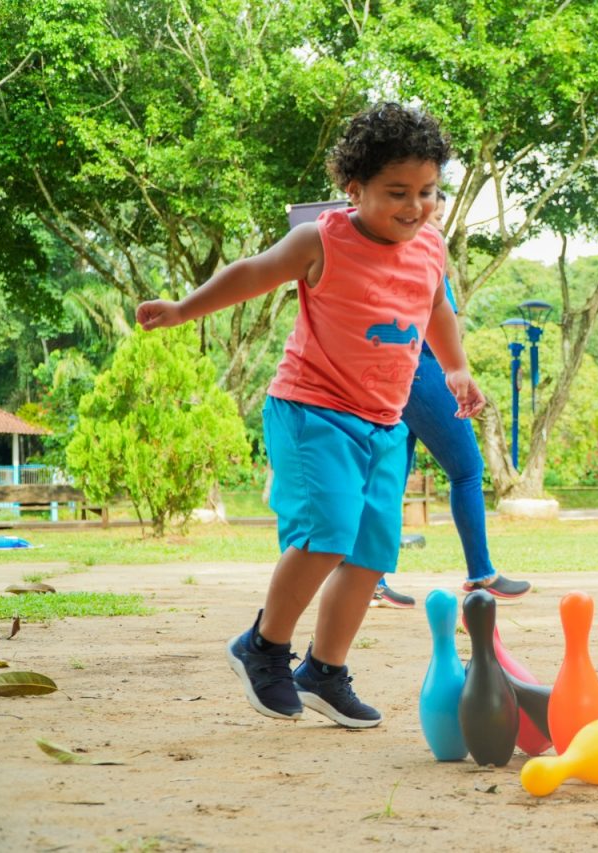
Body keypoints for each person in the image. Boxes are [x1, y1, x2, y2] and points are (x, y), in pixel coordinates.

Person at [137, 103, 483, 726]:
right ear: (354, 189)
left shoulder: (429, 245)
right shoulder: (322, 238)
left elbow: (436, 307)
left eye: (428, 192)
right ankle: (263, 647)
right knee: (327, 534)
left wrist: (454, 366)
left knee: (373, 553)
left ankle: (324, 671)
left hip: (383, 420)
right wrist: (185, 309)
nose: (415, 207)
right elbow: (254, 273)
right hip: (312, 409)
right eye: (396, 192)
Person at [391, 190, 530, 603]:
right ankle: (481, 573)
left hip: (399, 372)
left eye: (438, 207)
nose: (434, 215)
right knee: (467, 469)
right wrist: (458, 374)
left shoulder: (410, 247)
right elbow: (435, 323)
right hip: (422, 370)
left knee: (391, 479)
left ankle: (372, 580)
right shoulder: (421, 249)